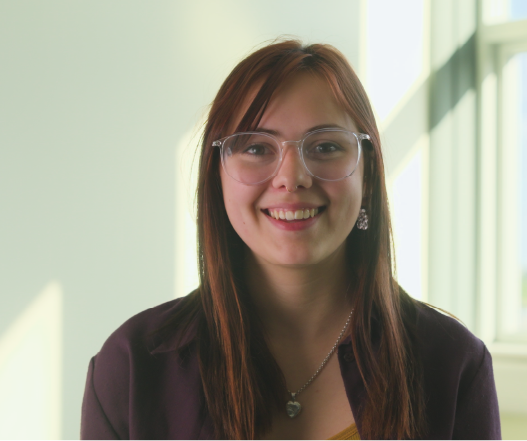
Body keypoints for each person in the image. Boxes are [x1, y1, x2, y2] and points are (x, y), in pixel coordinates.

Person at [80, 39, 501, 441]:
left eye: (326, 146)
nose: (292, 177)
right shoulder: (131, 367)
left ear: (368, 173)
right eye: (257, 148)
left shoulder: (453, 364)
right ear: (217, 174)